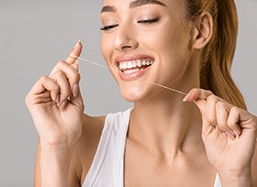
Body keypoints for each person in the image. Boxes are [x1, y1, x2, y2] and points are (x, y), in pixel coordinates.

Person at [25, 0, 257, 186]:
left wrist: (236, 178)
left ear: (200, 31)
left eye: (146, 19)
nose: (119, 41)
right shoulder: (74, 143)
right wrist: (56, 148)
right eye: (109, 25)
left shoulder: (247, 155)